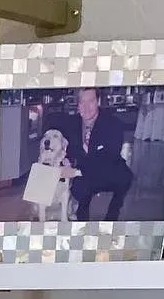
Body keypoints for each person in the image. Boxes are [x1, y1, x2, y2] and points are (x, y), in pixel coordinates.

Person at [48, 87, 134, 222]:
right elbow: (62, 144)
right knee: (79, 189)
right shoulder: (71, 123)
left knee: (125, 177)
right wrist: (65, 159)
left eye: (91, 101)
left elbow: (109, 157)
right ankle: (82, 214)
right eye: (82, 102)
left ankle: (113, 212)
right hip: (84, 171)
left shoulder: (113, 124)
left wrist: (75, 172)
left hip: (108, 170)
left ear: (98, 101)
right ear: (78, 105)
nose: (86, 107)